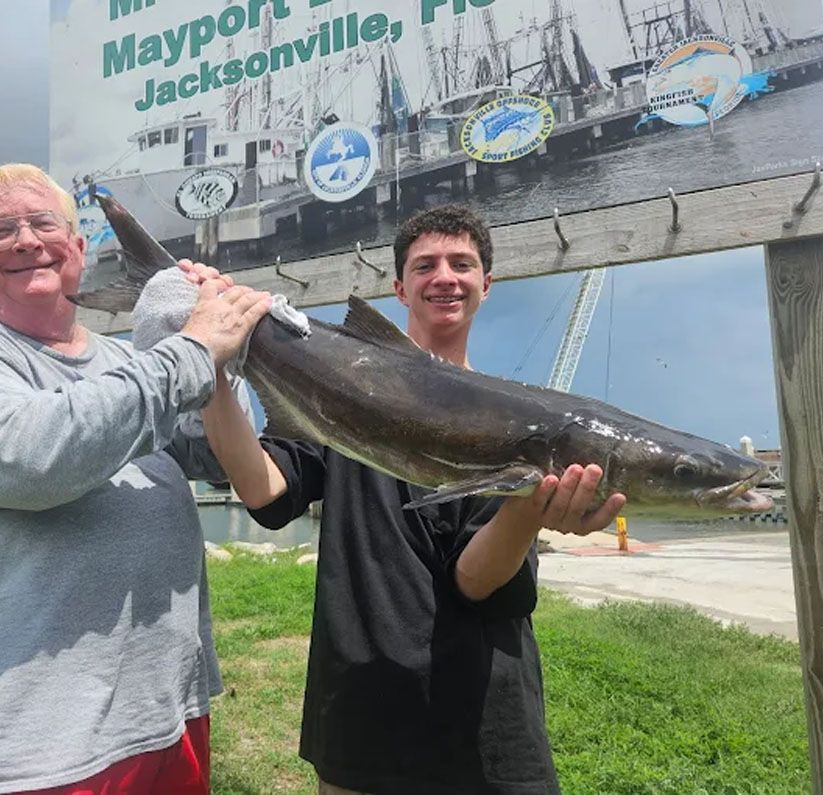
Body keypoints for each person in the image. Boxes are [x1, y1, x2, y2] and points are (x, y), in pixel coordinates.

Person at [199, 205, 626, 794]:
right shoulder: (343, 399)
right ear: (400, 288)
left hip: (486, 727)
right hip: (361, 715)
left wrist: (528, 507)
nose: (444, 276)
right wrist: (205, 364)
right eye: (426, 265)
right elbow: (267, 494)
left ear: (486, 284)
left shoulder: (518, 423)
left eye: (462, 264)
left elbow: (474, 582)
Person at [0, 163, 270, 794]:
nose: (28, 240)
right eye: (0, 230)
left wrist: (210, 347)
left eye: (45, 224)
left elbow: (216, 460)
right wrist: (193, 351)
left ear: (79, 247)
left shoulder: (129, 359)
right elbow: (33, 461)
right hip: (33, 746)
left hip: (166, 714)